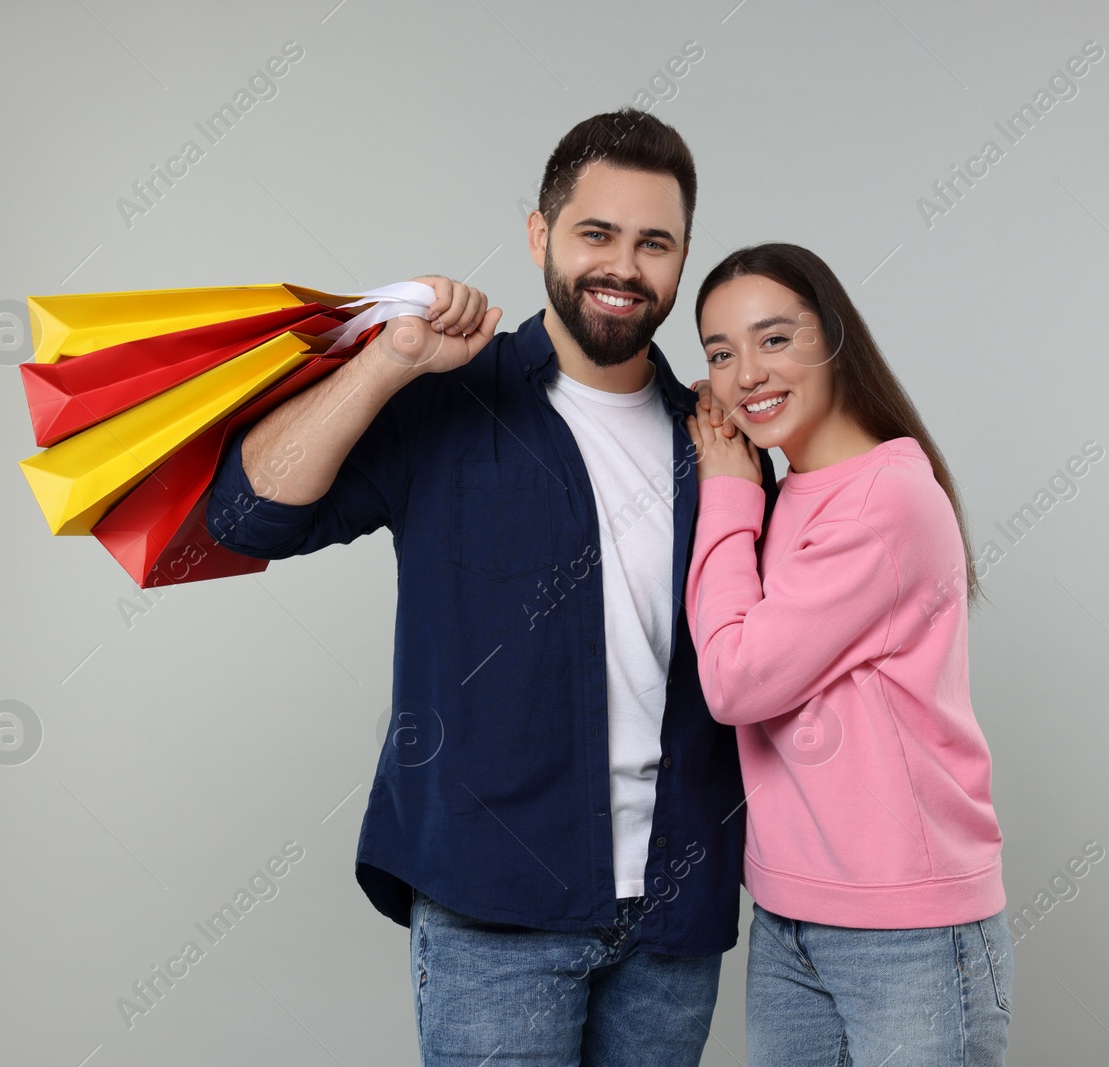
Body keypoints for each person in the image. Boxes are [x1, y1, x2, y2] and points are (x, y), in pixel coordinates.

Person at [205, 110, 778, 1065]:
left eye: (655, 243)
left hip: (677, 916)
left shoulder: (723, 448)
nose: (624, 266)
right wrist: (387, 362)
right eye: (597, 233)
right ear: (539, 233)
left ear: (682, 259)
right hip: (493, 910)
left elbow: (768, 654)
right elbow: (244, 516)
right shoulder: (446, 404)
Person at [682, 243, 1012, 1066]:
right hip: (792, 911)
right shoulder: (792, 491)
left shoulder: (885, 499)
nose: (746, 373)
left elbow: (734, 677)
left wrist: (726, 489)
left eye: (774, 339)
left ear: (833, 338)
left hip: (908, 927)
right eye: (721, 353)